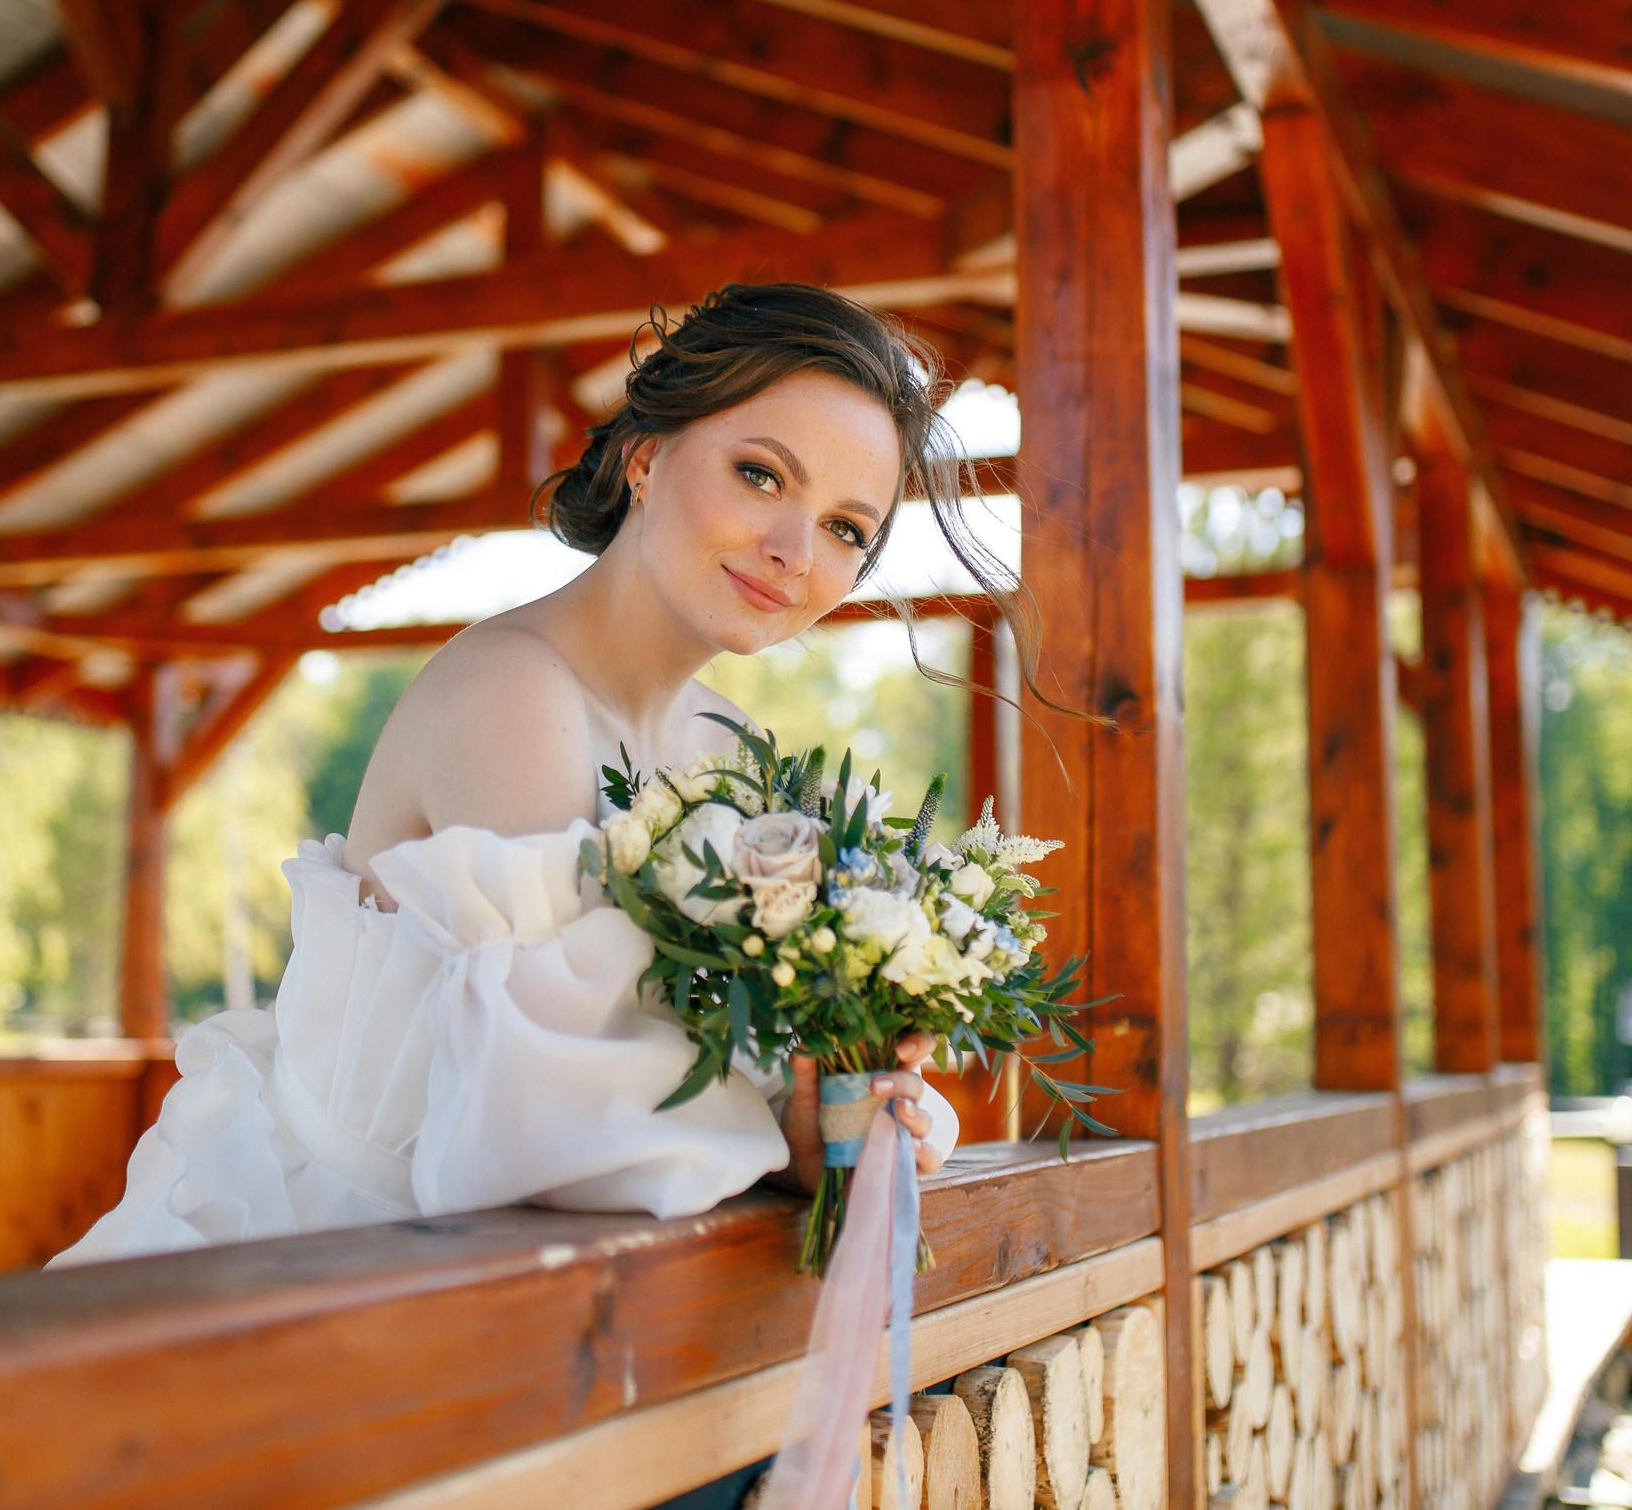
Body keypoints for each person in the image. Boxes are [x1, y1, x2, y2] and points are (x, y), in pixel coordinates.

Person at [52, 283, 1045, 1268]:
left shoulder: (728, 743)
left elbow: (717, 1056)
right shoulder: (510, 692)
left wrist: (855, 1081)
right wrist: (792, 1131)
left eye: (845, 529)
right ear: (646, 457)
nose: (793, 551)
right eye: (760, 475)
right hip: (345, 1257)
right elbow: (554, 1108)